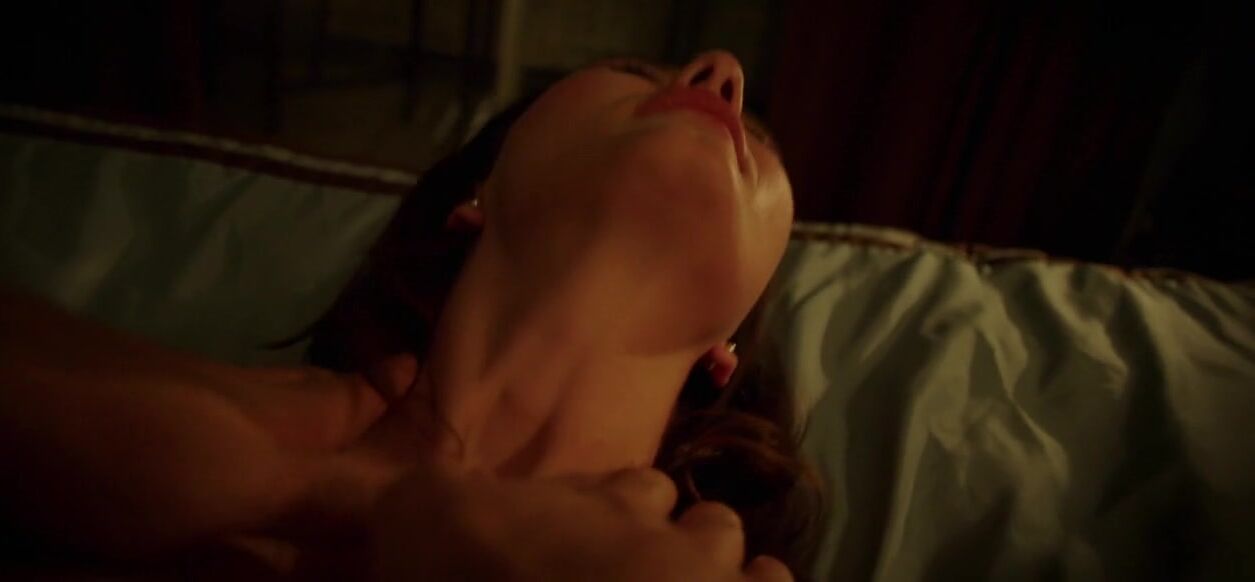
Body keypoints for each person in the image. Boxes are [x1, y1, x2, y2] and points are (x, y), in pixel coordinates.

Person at [0, 50, 822, 580]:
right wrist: (323, 491)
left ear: (728, 345)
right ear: (475, 196)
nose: (722, 73)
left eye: (757, 135)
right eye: (635, 74)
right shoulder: (239, 438)